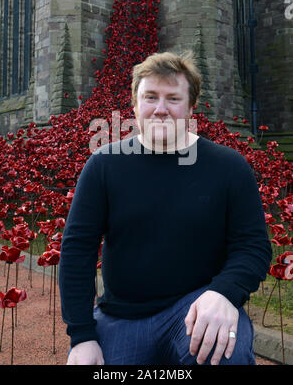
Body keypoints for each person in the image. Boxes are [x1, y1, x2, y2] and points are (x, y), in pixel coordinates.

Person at [59, 51, 272, 366]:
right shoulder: (104, 165)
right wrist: (82, 338)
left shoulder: (228, 167)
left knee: (225, 353)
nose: (160, 109)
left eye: (173, 98)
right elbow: (78, 251)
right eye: (150, 97)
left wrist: (225, 293)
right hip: (122, 317)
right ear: (135, 105)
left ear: (190, 107)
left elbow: (253, 246)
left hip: (199, 307)